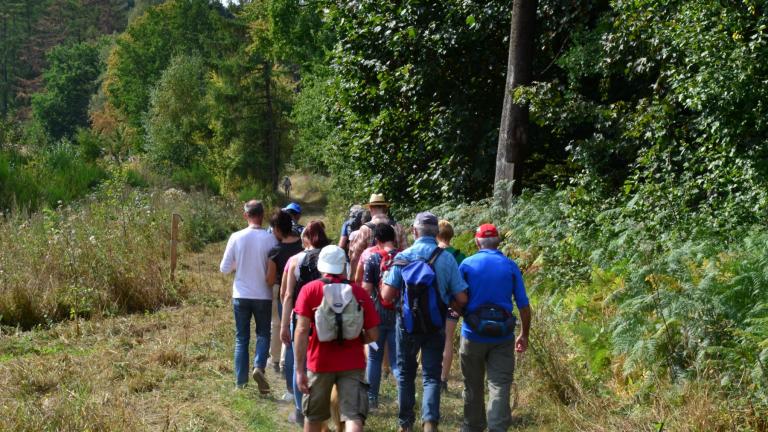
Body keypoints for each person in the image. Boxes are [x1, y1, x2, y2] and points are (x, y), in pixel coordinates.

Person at [381, 212, 469, 432]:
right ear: (436, 233)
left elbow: (387, 295)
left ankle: (406, 425)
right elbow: (462, 298)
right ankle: (429, 423)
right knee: (431, 375)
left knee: (406, 374)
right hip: (436, 324)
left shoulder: (404, 256)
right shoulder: (447, 258)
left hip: (407, 325)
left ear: (414, 231)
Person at [294, 245, 380, 432]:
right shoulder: (359, 292)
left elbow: (301, 331)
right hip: (353, 363)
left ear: (321, 265)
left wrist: (299, 370)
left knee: (314, 416)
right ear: (343, 266)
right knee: (353, 416)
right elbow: (374, 334)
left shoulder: (310, 290)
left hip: (319, 363)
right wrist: (358, 339)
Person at [458, 224, 531, 432]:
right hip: (503, 336)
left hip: (472, 335)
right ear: (498, 241)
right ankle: (497, 428)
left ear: (476, 241)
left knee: (473, 385)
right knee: (500, 385)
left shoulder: (466, 265)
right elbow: (524, 306)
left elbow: (457, 299)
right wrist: (524, 334)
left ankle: (472, 427)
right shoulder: (510, 266)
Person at [219, 200, 278, 392]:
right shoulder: (271, 239)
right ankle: (259, 366)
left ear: (246, 216)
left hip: (241, 294)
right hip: (263, 294)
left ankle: (240, 383)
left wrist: (238, 264)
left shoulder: (236, 237)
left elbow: (224, 268)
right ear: (262, 215)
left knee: (241, 338)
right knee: (263, 334)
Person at [281, 221, 331, 425]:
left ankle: (301, 411)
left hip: (300, 317)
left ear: (306, 239)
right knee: (322, 362)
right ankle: (323, 407)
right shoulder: (330, 257)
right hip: (326, 317)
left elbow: (287, 295)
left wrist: (284, 325)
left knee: (298, 364)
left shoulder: (295, 260)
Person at [361, 223, 402, 409]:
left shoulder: (373, 259)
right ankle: (403, 398)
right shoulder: (404, 258)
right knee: (397, 359)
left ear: (376, 240)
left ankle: (371, 400)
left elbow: (366, 290)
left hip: (376, 315)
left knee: (374, 358)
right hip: (399, 314)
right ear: (394, 238)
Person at [267, 209, 305, 400]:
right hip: (306, 297)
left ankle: (291, 387)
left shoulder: (276, 251)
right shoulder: (302, 245)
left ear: (277, 229)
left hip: (286, 297)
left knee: (288, 337)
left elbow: (270, 279)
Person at [437, 220, 467, 392]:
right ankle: (443, 379)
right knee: (448, 338)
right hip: (454, 304)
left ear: (436, 234)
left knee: (431, 337)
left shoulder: (432, 253)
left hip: (435, 303)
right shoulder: (459, 255)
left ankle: (431, 374)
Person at [349, 193, 408, 279]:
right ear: (385, 208)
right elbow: (405, 252)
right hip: (394, 275)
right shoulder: (398, 227)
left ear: (370, 208)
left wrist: (352, 277)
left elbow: (356, 256)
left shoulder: (365, 229)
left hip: (369, 277)